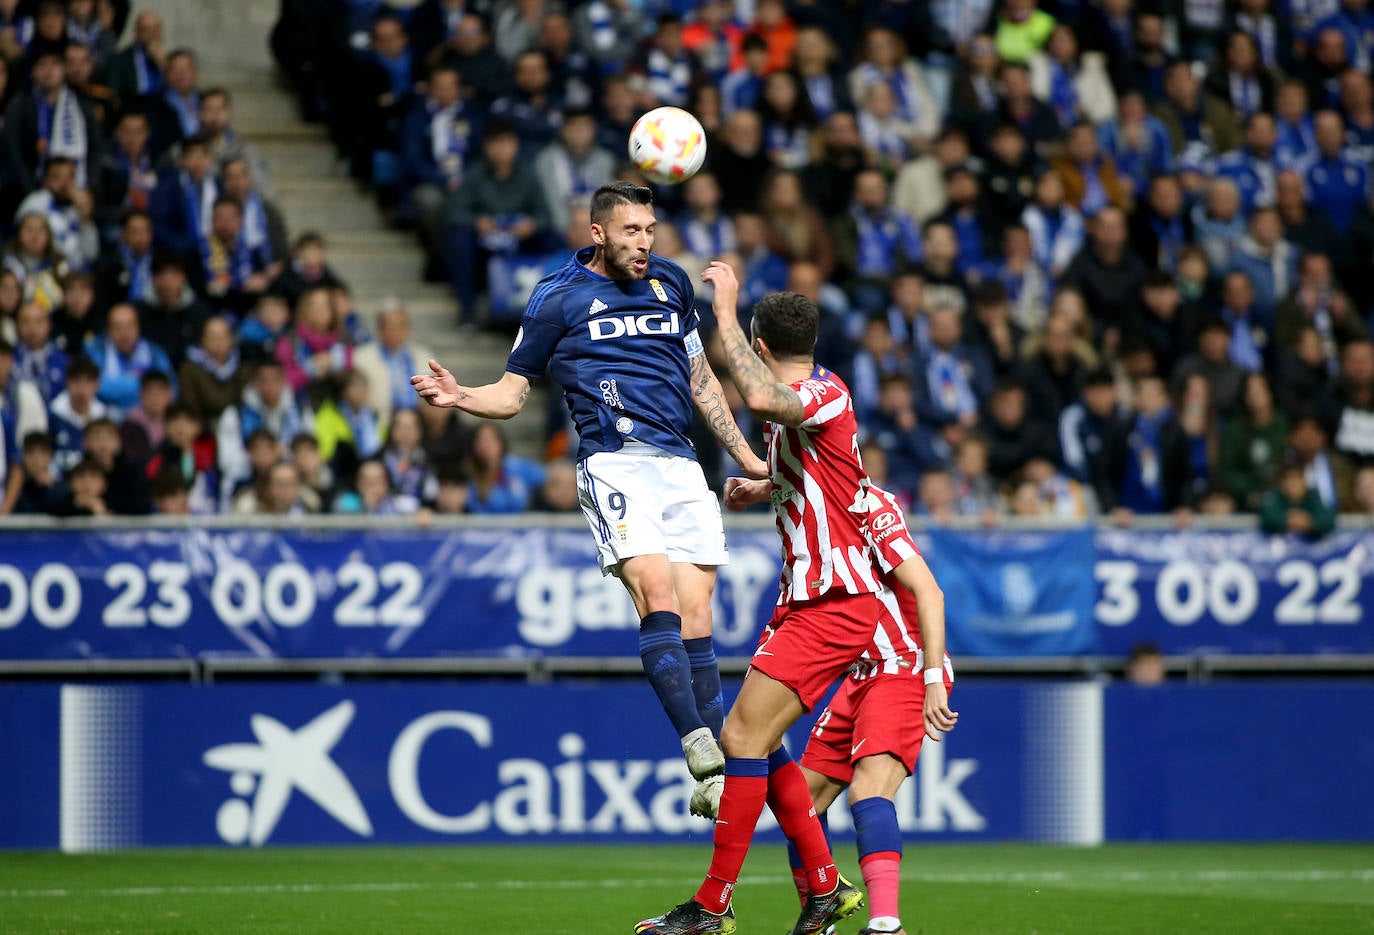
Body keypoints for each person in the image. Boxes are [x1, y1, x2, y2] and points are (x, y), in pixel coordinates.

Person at [412, 182, 767, 805]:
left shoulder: (673, 285)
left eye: (650, 230)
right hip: (616, 463)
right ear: (597, 232)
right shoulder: (559, 296)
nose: (644, 242)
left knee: (700, 614)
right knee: (655, 593)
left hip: (682, 465)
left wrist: (748, 458)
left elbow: (701, 377)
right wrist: (461, 396)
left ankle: (718, 779)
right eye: (631, 231)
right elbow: (513, 392)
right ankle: (697, 743)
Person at [634, 265, 895, 935]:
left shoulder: (823, 393)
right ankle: (825, 890)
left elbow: (759, 394)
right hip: (811, 601)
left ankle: (713, 905)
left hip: (835, 600)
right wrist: (766, 485)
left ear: (759, 337)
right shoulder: (812, 403)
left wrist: (724, 310)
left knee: (740, 735)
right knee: (766, 739)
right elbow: (814, 473)